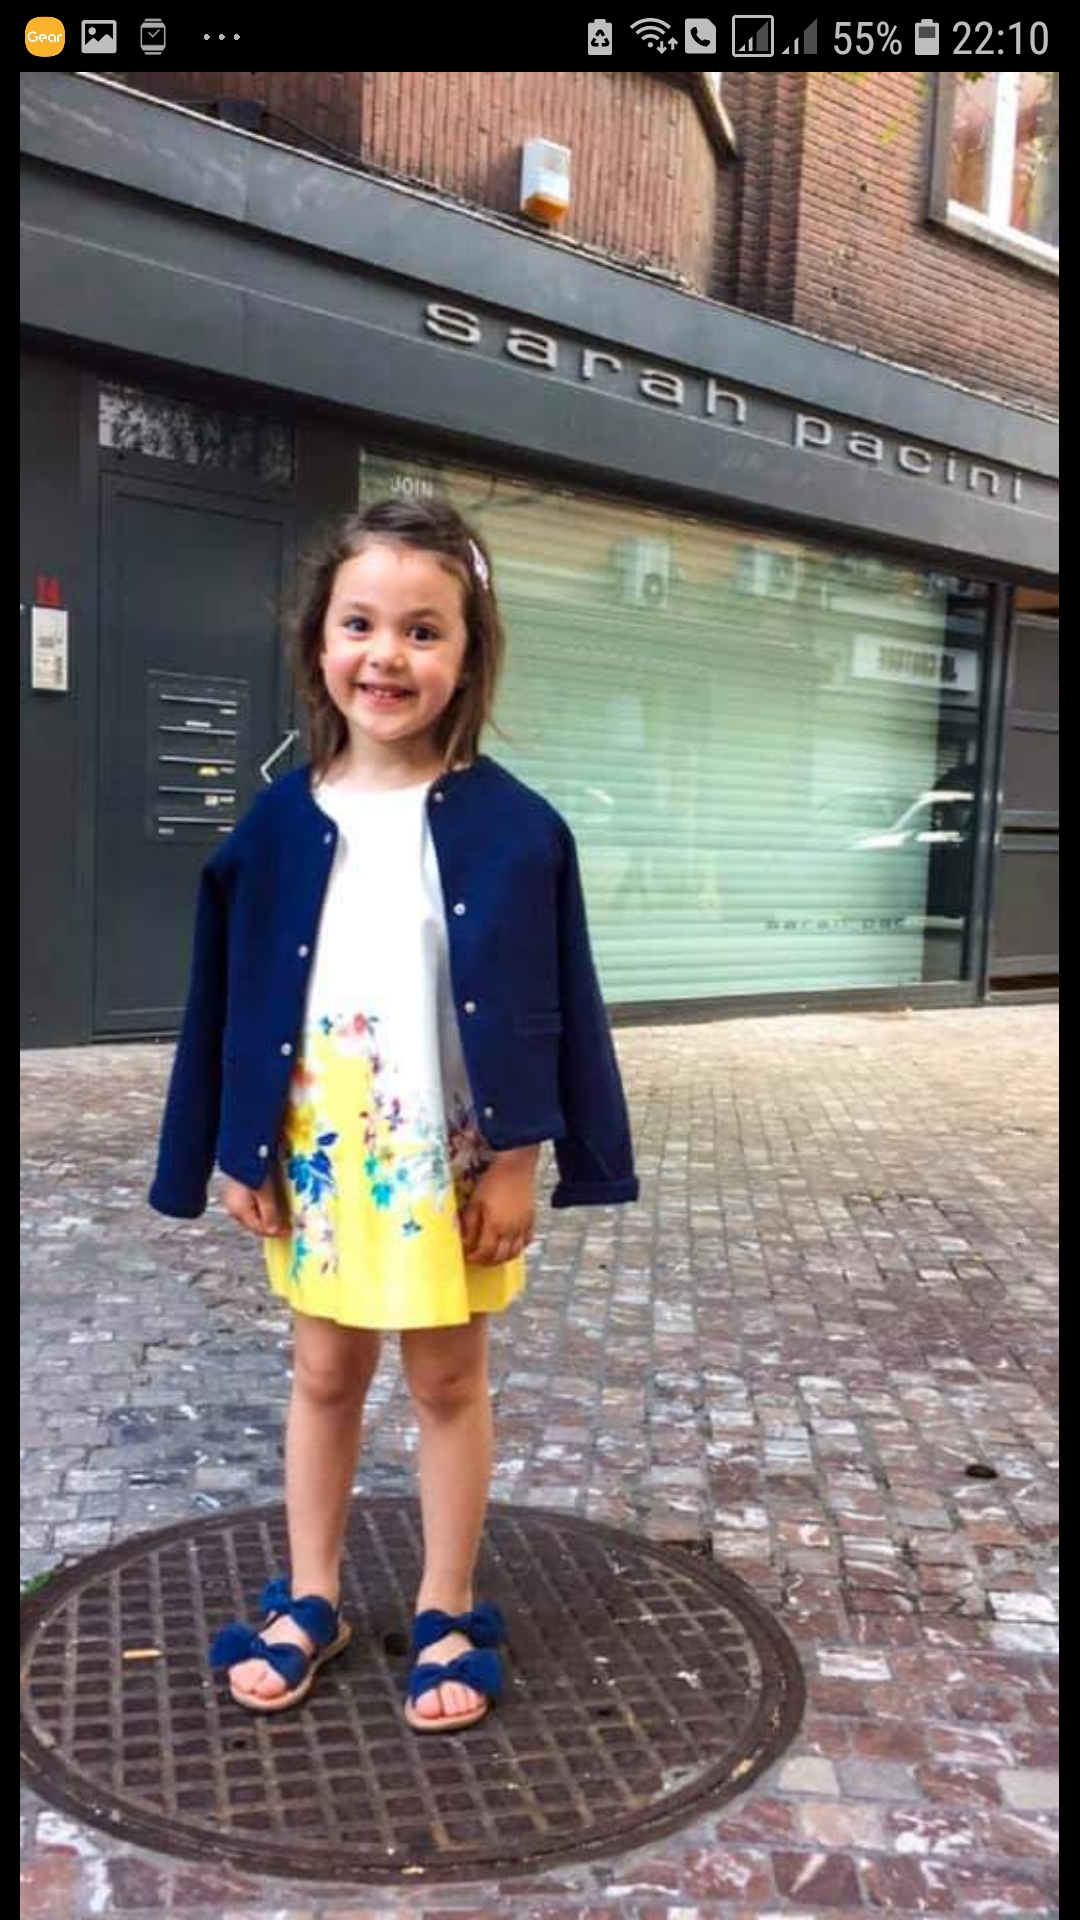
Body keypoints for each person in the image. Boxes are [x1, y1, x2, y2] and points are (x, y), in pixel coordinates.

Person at [149, 497, 639, 1730]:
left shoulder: (518, 830)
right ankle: (310, 1594)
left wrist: (520, 1162)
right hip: (319, 1159)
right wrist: (236, 1148)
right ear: (319, 641)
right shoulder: (274, 825)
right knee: (323, 1374)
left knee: (448, 1383)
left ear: (469, 654)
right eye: (360, 624)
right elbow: (227, 1002)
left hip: (450, 1164)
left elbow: (552, 1006)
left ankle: (446, 1606)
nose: (387, 655)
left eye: (424, 630)